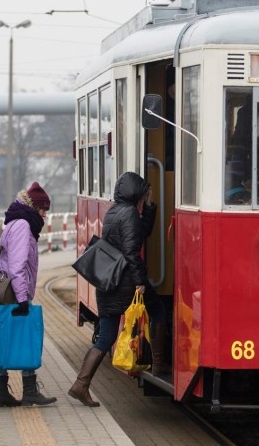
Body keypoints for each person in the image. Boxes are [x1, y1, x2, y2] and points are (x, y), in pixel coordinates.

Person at [69, 172, 168, 407]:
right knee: (160, 311)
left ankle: (80, 385)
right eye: (146, 193)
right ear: (138, 194)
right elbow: (132, 251)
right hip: (124, 282)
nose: (148, 195)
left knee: (106, 337)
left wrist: (150, 207)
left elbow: (139, 234)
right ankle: (157, 365)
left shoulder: (115, 211)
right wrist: (140, 281)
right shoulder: (131, 213)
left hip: (109, 283)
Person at [0, 182, 57, 407]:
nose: (45, 215)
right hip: (14, 291)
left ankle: (1, 392)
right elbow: (17, 266)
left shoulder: (17, 220)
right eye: (44, 209)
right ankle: (28, 391)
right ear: (35, 207)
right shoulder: (22, 225)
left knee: (5, 337)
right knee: (25, 337)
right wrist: (22, 299)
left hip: (8, 289)